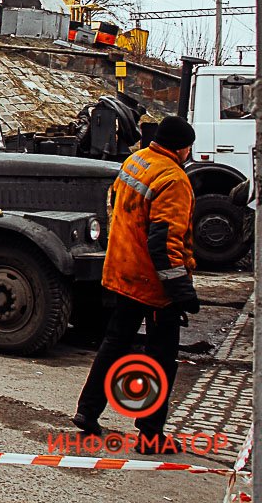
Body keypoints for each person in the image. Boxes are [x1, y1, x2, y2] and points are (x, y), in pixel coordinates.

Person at [72, 115, 199, 453]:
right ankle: (150, 435)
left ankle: (86, 412)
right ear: (183, 148)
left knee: (114, 345)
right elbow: (165, 242)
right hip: (152, 284)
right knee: (161, 358)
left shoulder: (135, 160)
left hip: (122, 271)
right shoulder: (173, 179)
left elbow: (115, 209)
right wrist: (180, 291)